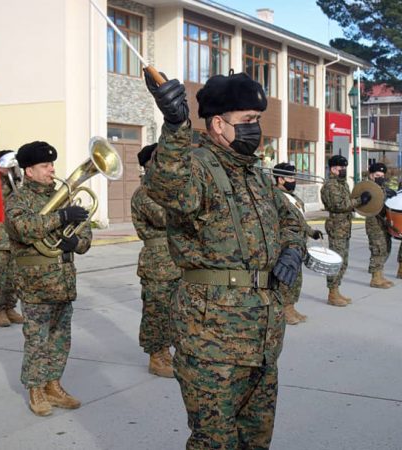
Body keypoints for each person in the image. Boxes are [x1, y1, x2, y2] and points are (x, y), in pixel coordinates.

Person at [143, 70, 304, 449]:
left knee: (256, 438)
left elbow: (290, 221)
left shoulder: (256, 175)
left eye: (257, 121)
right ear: (218, 124)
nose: (255, 129)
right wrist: (175, 124)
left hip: (262, 336)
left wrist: (293, 249)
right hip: (213, 339)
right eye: (247, 121)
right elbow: (167, 185)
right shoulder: (197, 166)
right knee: (214, 442)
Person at [4, 141, 91, 416]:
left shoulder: (65, 196)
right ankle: (35, 389)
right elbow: (23, 228)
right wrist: (60, 217)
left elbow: (86, 238)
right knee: (37, 339)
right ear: (28, 171)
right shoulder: (19, 200)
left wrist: (75, 241)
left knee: (60, 338)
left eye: (52, 164)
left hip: (64, 280)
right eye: (45, 166)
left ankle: (54, 385)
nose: (51, 170)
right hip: (36, 283)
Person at [131, 143, 180, 377]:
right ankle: (156, 356)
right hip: (157, 263)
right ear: (148, 165)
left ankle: (167, 353)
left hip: (176, 261)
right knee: (156, 311)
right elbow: (164, 217)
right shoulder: (144, 194)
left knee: (173, 311)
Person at [272, 162, 321, 324]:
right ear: (280, 179)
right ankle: (283, 310)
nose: (293, 180)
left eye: (294, 177)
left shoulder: (293, 198)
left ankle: (291, 307)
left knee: (296, 278)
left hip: (298, 244)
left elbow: (300, 220)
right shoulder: (275, 196)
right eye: (290, 177)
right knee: (286, 278)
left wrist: (311, 232)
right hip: (286, 244)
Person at [0, 150, 25, 327]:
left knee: (14, 277)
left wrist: (16, 175)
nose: (14, 167)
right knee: (0, 276)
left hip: (14, 237)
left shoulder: (17, 180)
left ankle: (10, 307)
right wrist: (1, 174)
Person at [322, 154, 370, 306]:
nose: (343, 170)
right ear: (333, 169)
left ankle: (337, 290)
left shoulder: (343, 184)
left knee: (343, 261)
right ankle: (332, 293)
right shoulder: (331, 185)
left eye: (344, 168)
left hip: (344, 227)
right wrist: (359, 201)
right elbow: (339, 205)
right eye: (340, 168)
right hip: (337, 228)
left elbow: (347, 202)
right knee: (335, 261)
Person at [366, 162, 396, 288]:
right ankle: (375, 278)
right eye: (378, 175)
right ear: (371, 175)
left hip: (384, 223)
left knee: (386, 248)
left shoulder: (382, 187)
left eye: (382, 175)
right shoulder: (366, 187)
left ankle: (380, 274)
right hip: (374, 223)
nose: (380, 177)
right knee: (378, 249)